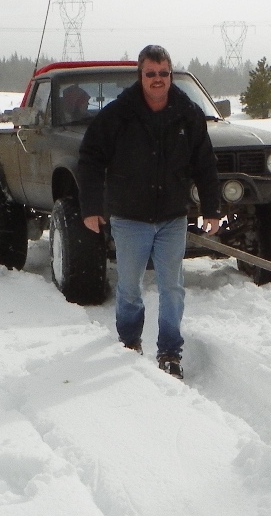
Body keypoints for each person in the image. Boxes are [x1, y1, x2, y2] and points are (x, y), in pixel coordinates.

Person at [78, 45, 221, 379]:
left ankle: (170, 352)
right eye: (150, 73)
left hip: (172, 217)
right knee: (130, 288)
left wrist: (211, 209)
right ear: (140, 75)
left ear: (171, 75)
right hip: (129, 218)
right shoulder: (118, 115)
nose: (158, 80)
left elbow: (205, 165)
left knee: (172, 288)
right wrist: (91, 207)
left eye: (164, 73)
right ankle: (129, 343)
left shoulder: (188, 114)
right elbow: (90, 158)